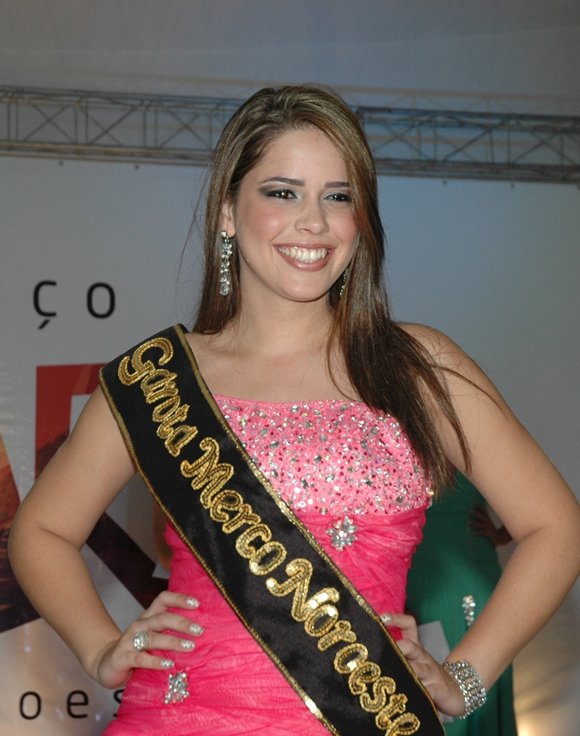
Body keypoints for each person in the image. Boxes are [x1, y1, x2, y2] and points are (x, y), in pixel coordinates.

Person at [8, 85, 580, 736]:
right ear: (228, 212)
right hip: (177, 717)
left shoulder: (418, 366)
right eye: (283, 192)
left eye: (338, 197)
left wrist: (465, 676)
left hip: (367, 718)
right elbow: (40, 531)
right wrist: (100, 649)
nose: (314, 222)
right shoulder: (160, 379)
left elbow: (555, 528)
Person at [406, 473, 518, 735]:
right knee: (429, 680)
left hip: (472, 575)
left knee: (477, 677)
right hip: (421, 577)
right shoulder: (404, 450)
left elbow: (539, 508)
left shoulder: (482, 453)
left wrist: (500, 535)